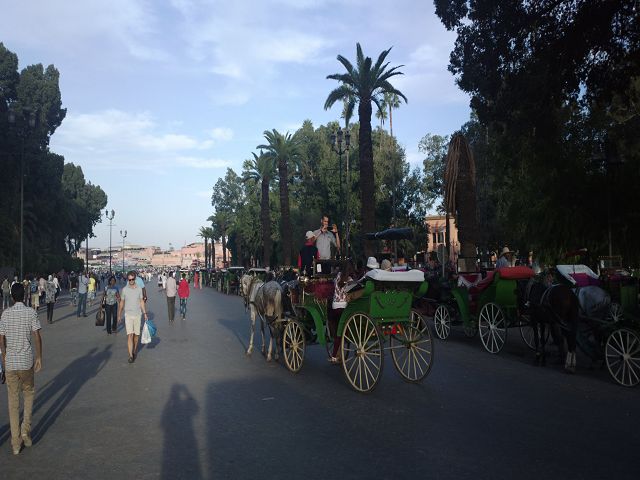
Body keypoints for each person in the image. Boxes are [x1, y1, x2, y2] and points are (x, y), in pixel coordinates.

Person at [0, 283, 43, 455]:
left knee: (13, 402)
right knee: (29, 394)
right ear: (24, 295)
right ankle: (25, 430)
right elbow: (37, 336)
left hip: (10, 362)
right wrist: (39, 357)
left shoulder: (5, 314)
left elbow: (1, 340)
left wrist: (4, 358)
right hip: (26, 362)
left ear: (11, 297)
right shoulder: (31, 312)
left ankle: (15, 442)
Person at [117, 271, 148, 363]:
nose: (131, 281)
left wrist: (145, 313)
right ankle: (130, 355)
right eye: (129, 280)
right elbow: (121, 302)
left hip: (138, 314)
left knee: (136, 335)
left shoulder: (139, 289)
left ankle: (134, 350)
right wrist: (119, 314)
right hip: (128, 315)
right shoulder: (124, 290)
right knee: (130, 335)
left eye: (132, 279)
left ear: (135, 279)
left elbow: (141, 301)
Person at [328, 261, 354, 364]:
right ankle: (335, 354)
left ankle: (335, 355)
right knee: (340, 332)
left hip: (335, 306)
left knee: (338, 332)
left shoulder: (338, 276)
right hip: (344, 307)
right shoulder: (350, 280)